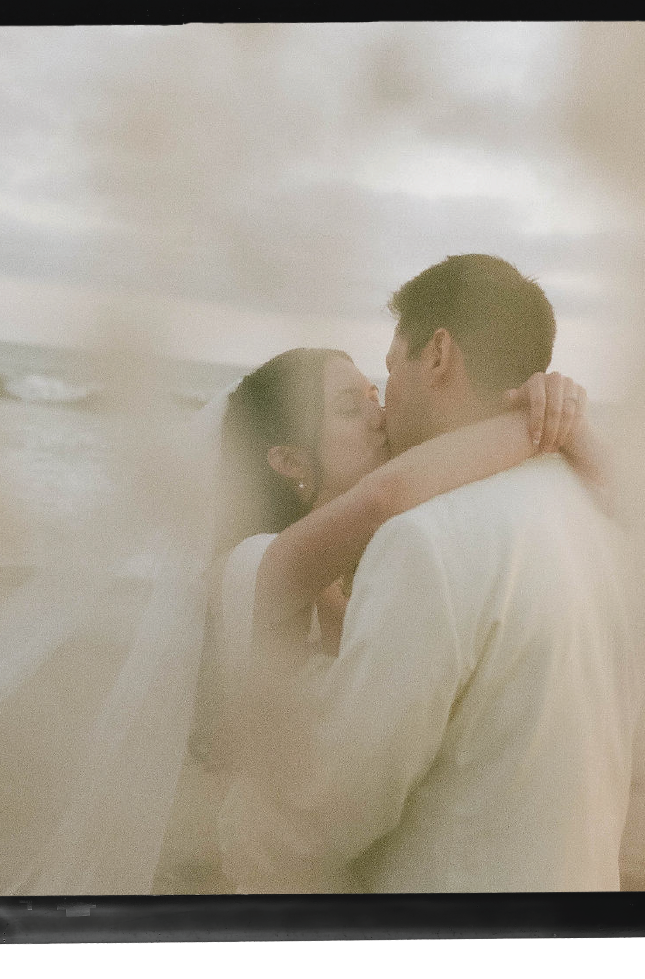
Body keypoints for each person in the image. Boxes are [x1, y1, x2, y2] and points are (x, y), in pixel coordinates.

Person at [216, 254, 639, 894]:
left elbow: (334, 811)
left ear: (438, 354)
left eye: (388, 372)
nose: (384, 410)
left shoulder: (426, 540)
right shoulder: (596, 514)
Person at [151, 347, 599, 893]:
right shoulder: (255, 565)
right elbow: (387, 495)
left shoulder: (378, 560)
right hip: (288, 871)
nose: (379, 414)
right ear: (289, 461)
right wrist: (547, 422)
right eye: (349, 407)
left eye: (373, 394)